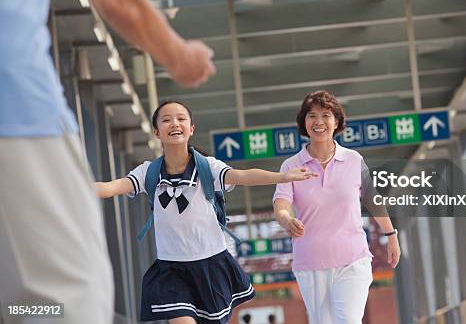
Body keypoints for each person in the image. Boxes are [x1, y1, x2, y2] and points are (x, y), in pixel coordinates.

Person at [0, 0, 215, 323]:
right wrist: (182, 59)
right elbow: (118, 0)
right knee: (71, 295)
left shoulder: (204, 169)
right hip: (18, 117)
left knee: (18, 297)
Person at [96, 101, 317, 324]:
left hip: (211, 265)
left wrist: (282, 177)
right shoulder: (148, 172)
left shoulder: (207, 168)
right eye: (166, 120)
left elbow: (242, 176)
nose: (174, 123)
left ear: (191, 128)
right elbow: (110, 187)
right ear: (156, 132)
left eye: (181, 119)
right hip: (172, 269)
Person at [273, 90, 401, 324]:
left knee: (349, 320)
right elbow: (281, 203)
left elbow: (373, 199)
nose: (318, 122)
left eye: (325, 115)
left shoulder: (354, 160)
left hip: (352, 258)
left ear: (337, 122)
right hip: (311, 262)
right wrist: (286, 219)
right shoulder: (291, 165)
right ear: (304, 122)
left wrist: (391, 235)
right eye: (311, 116)